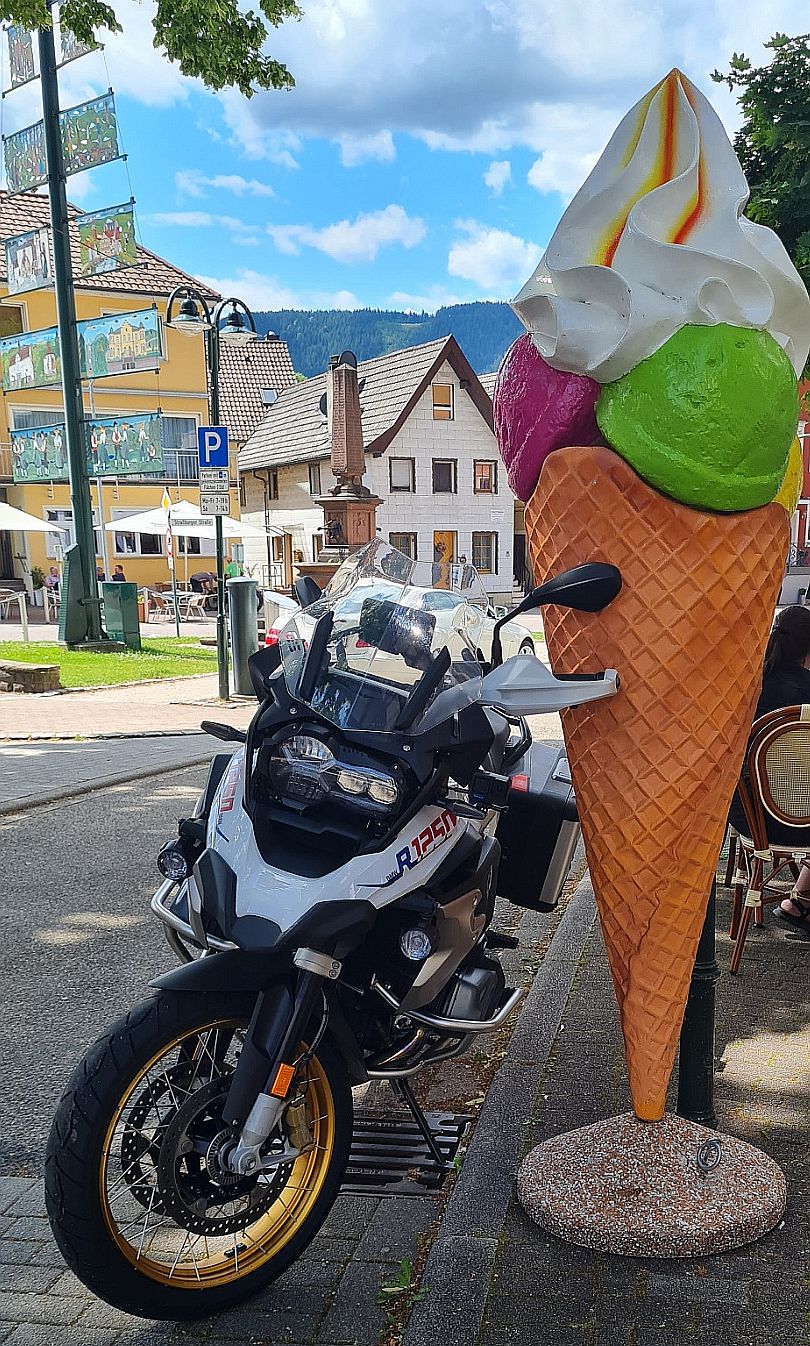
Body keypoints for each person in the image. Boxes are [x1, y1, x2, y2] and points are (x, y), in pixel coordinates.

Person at [728, 605, 810, 935]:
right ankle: (800, 898)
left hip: (748, 815)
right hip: (802, 821)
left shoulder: (747, 685)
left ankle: (799, 900)